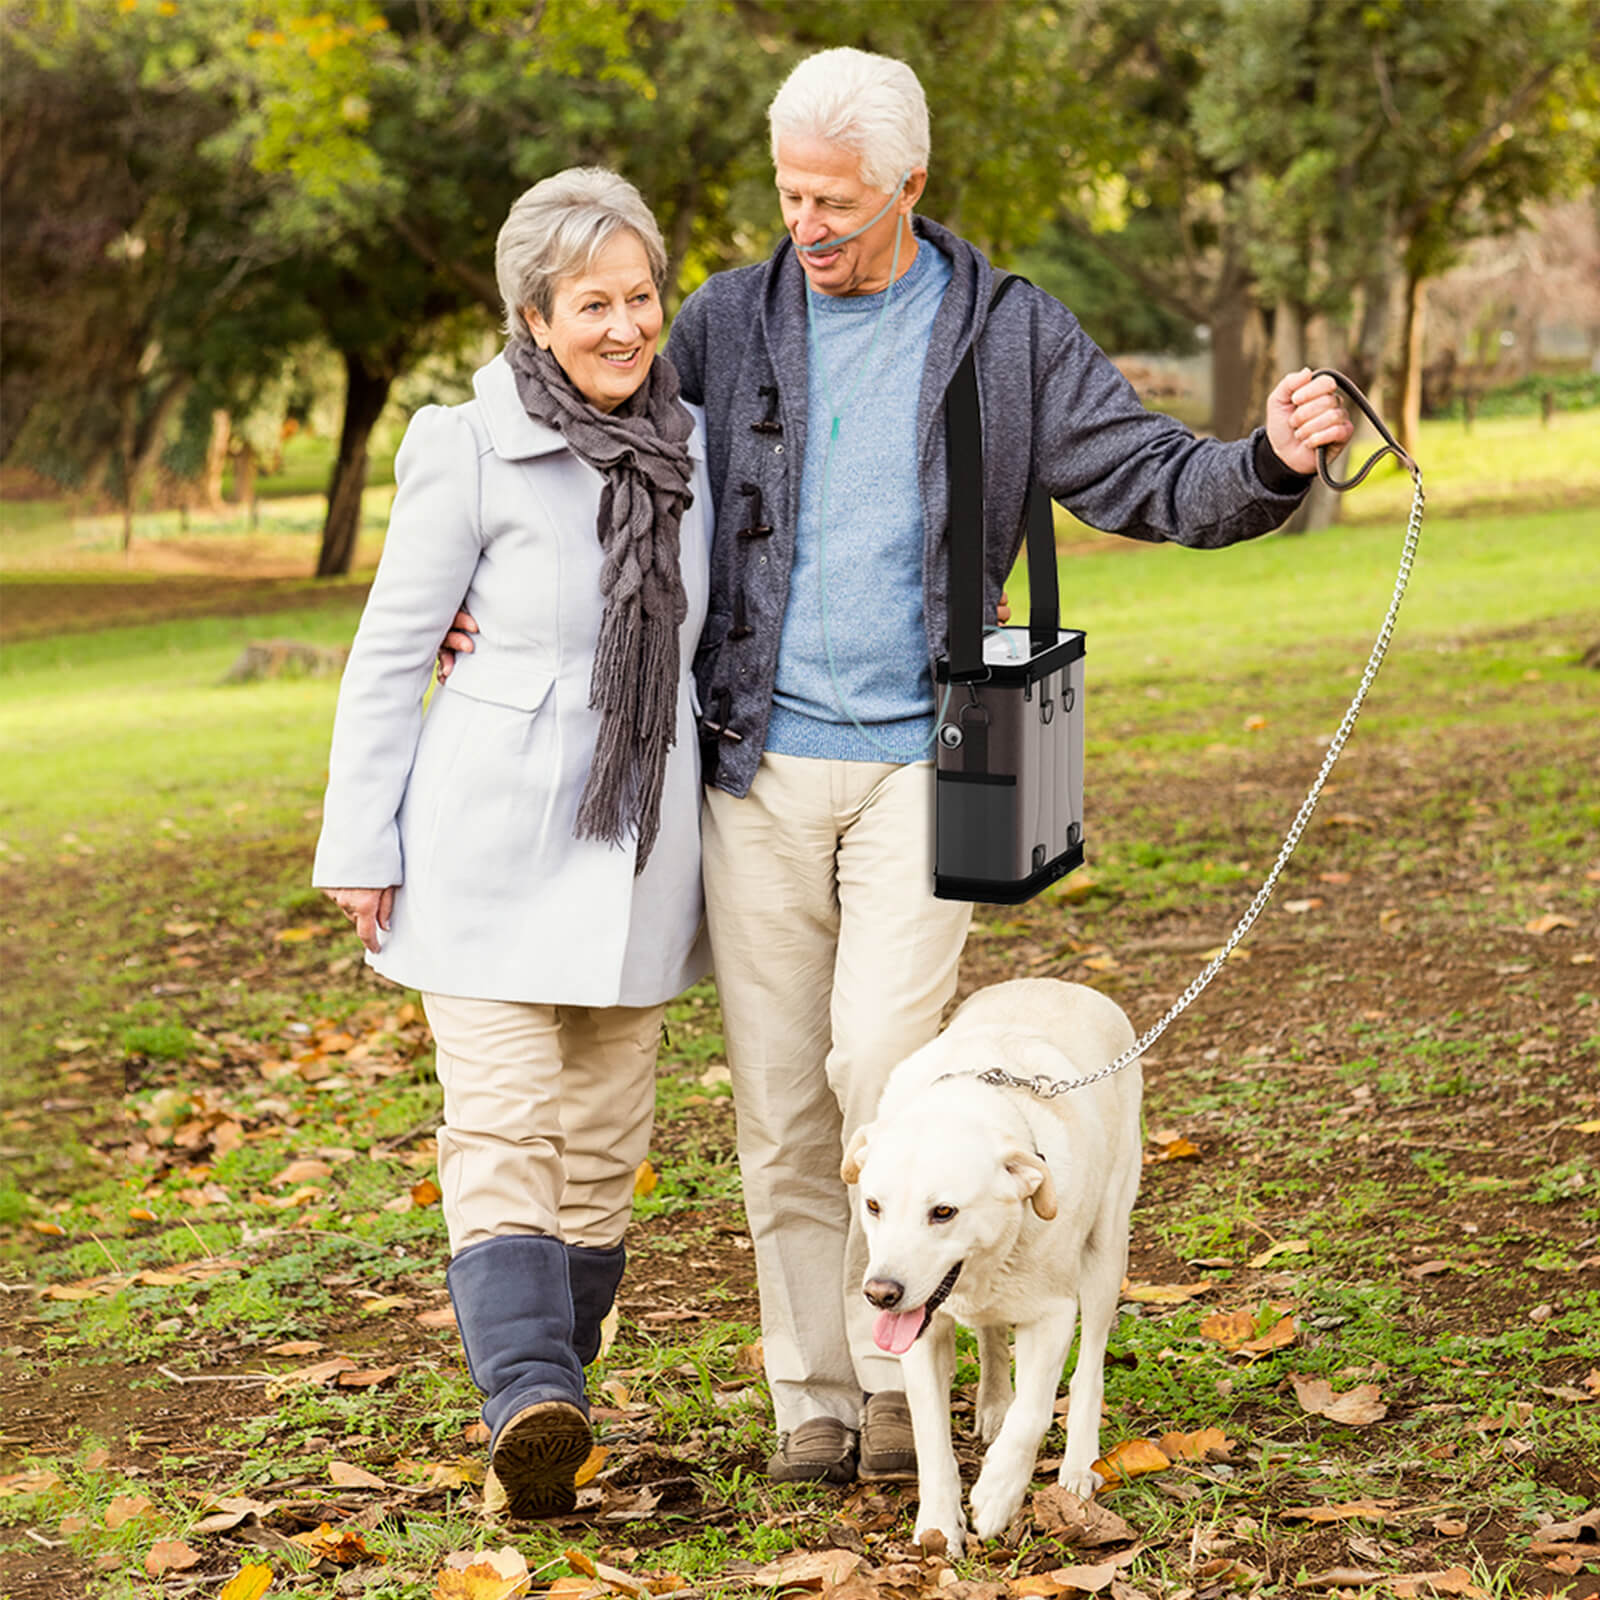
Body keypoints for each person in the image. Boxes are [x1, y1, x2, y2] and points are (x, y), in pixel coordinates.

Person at [444, 47, 1352, 1490]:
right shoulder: (729, 321)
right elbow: (602, 440)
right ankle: (823, 1397)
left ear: (912, 189)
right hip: (752, 757)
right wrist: (486, 593)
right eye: (793, 194)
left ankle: (905, 1365)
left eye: (840, 203)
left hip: (936, 757)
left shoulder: (1005, 331)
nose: (809, 224)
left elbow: (1143, 471)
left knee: (878, 1065)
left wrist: (1273, 463)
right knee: (779, 1104)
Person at [312, 167, 712, 1520]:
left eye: (639, 296)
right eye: (589, 302)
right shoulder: (462, 444)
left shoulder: (696, 450)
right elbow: (388, 657)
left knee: (605, 1142)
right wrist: (359, 843)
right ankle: (527, 1397)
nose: (621, 325)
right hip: (487, 838)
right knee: (503, 1122)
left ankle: (556, 1410)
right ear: (533, 317)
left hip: (640, 840)